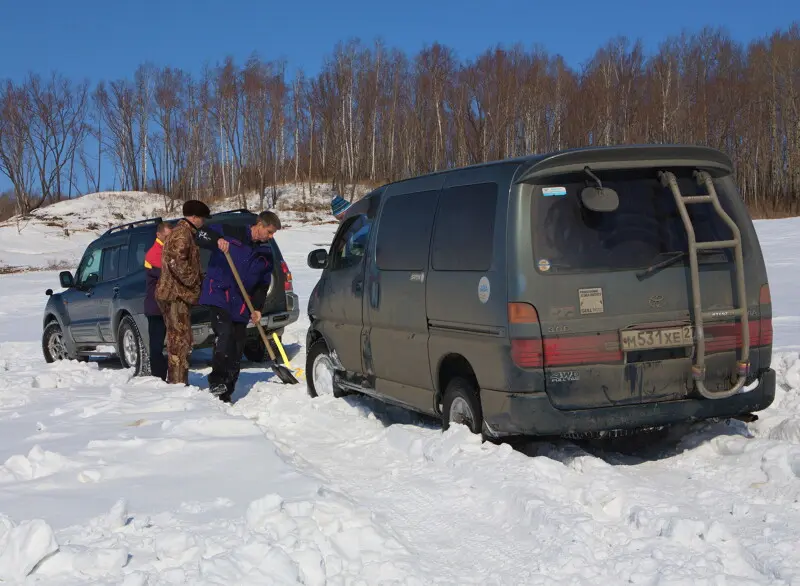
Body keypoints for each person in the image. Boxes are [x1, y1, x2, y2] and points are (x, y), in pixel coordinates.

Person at [196, 211, 282, 402]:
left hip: (243, 302)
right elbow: (201, 234)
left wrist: (258, 308)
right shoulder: (231, 231)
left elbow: (263, 283)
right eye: (269, 232)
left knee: (237, 344)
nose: (270, 237)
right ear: (258, 224)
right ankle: (217, 380)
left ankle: (228, 390)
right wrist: (216, 240)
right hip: (219, 293)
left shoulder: (266, 252)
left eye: (273, 234)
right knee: (225, 333)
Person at [155, 200, 212, 385]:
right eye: (202, 218)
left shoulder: (184, 233)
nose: (203, 222)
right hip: (175, 295)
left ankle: (178, 379)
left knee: (180, 338)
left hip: (176, 294)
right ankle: (177, 383)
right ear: (194, 218)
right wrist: (196, 283)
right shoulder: (181, 235)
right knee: (179, 341)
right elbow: (177, 264)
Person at [143, 221, 173, 380]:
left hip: (170, 305)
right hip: (156, 306)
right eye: (167, 236)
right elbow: (167, 275)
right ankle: (158, 377)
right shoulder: (154, 253)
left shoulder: (169, 250)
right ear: (159, 235)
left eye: (171, 236)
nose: (169, 240)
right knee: (157, 344)